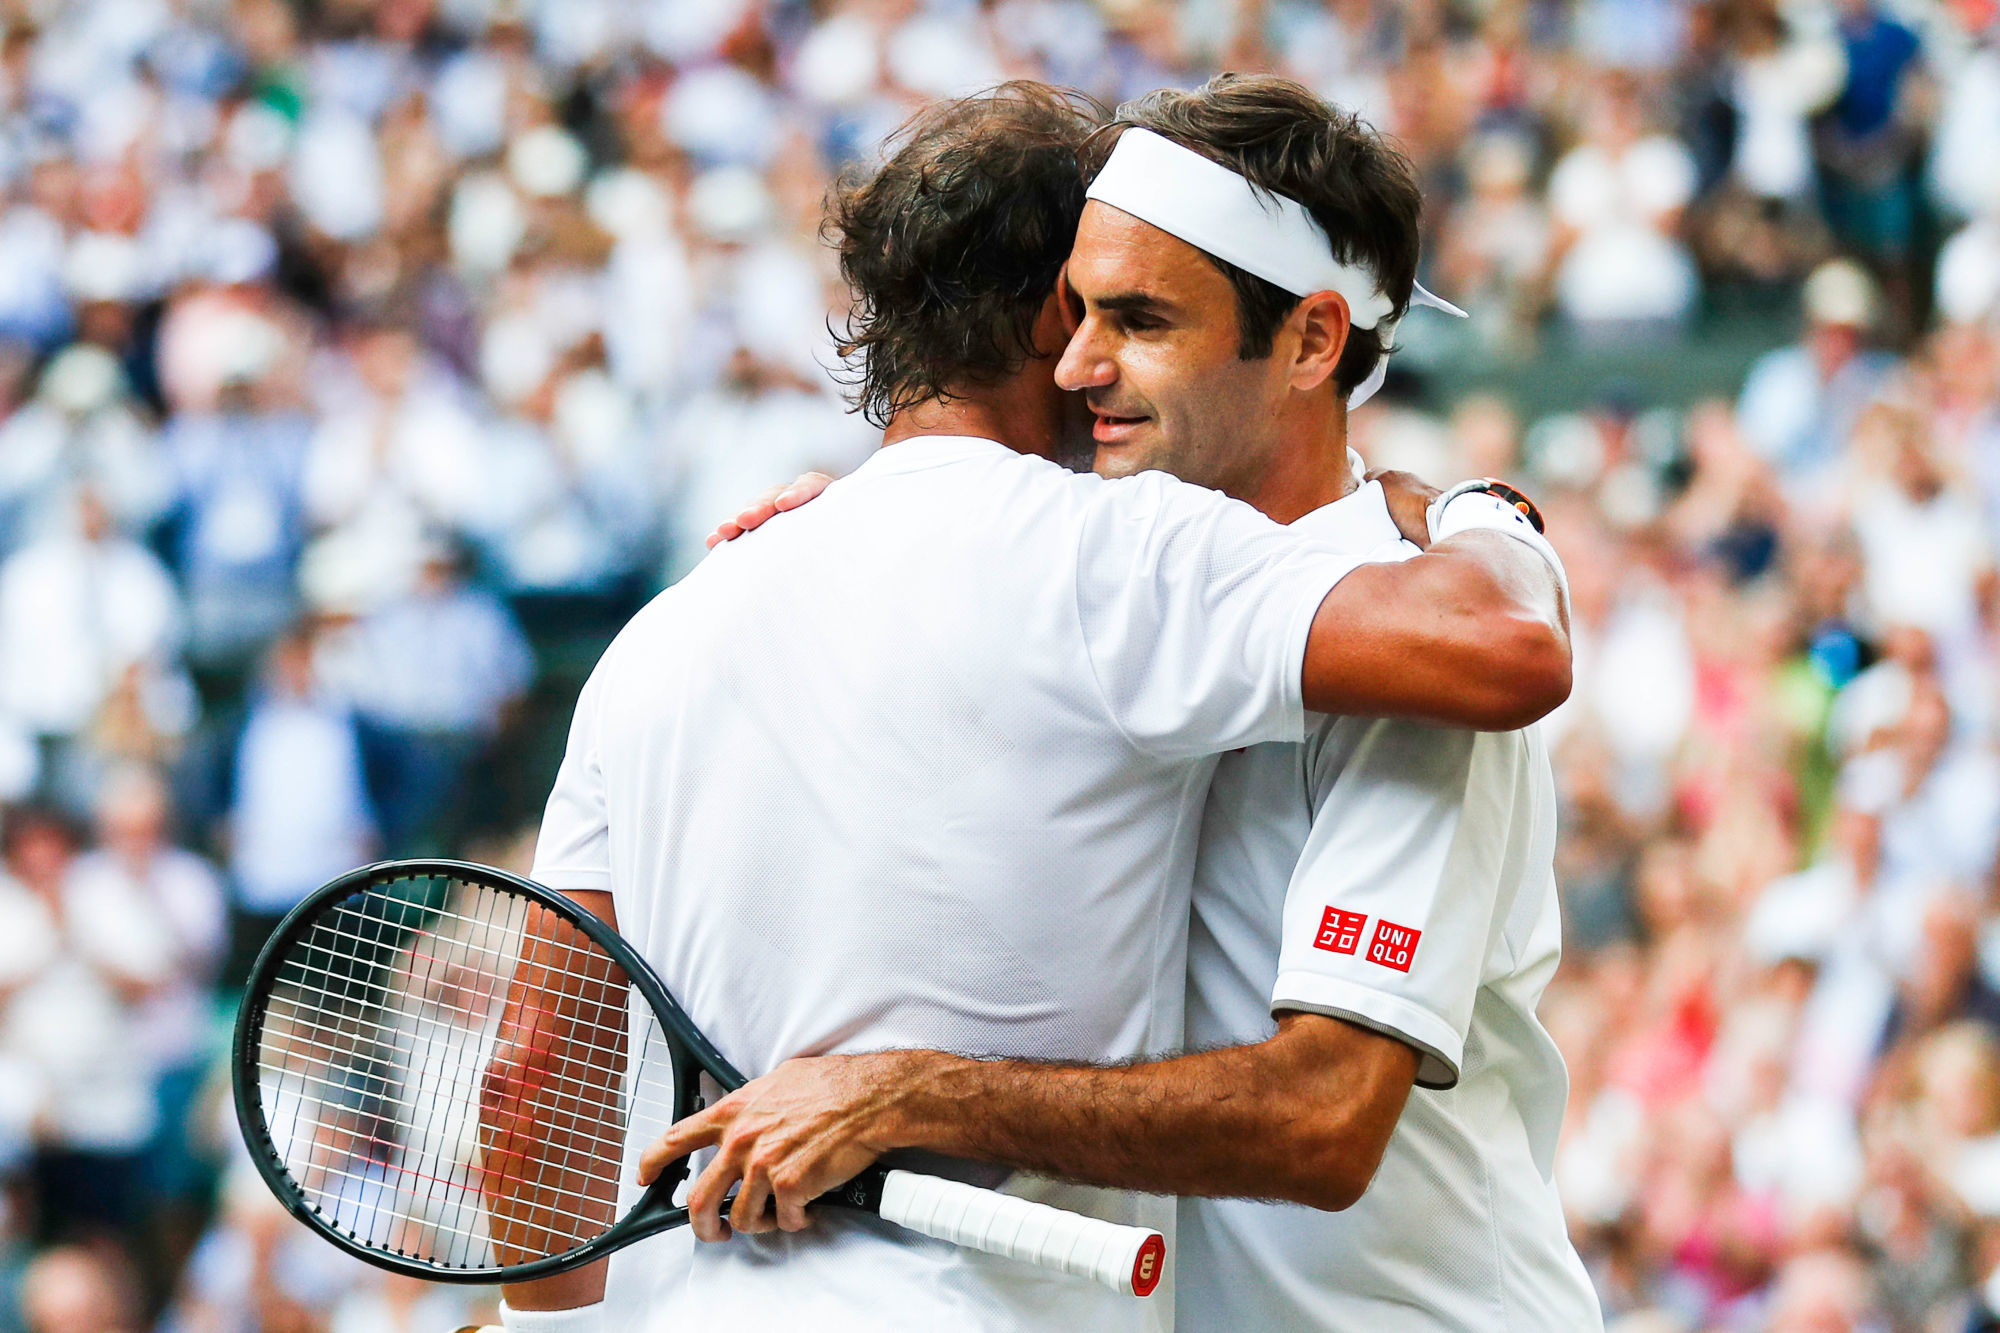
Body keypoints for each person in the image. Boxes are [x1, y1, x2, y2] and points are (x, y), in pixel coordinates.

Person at [494, 82, 1569, 1333]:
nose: (1081, 364)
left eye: (1137, 316)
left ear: (1311, 343)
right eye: (1077, 311)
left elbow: (1322, 1118)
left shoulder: (1377, 645)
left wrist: (1486, 513)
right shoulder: (1095, 570)